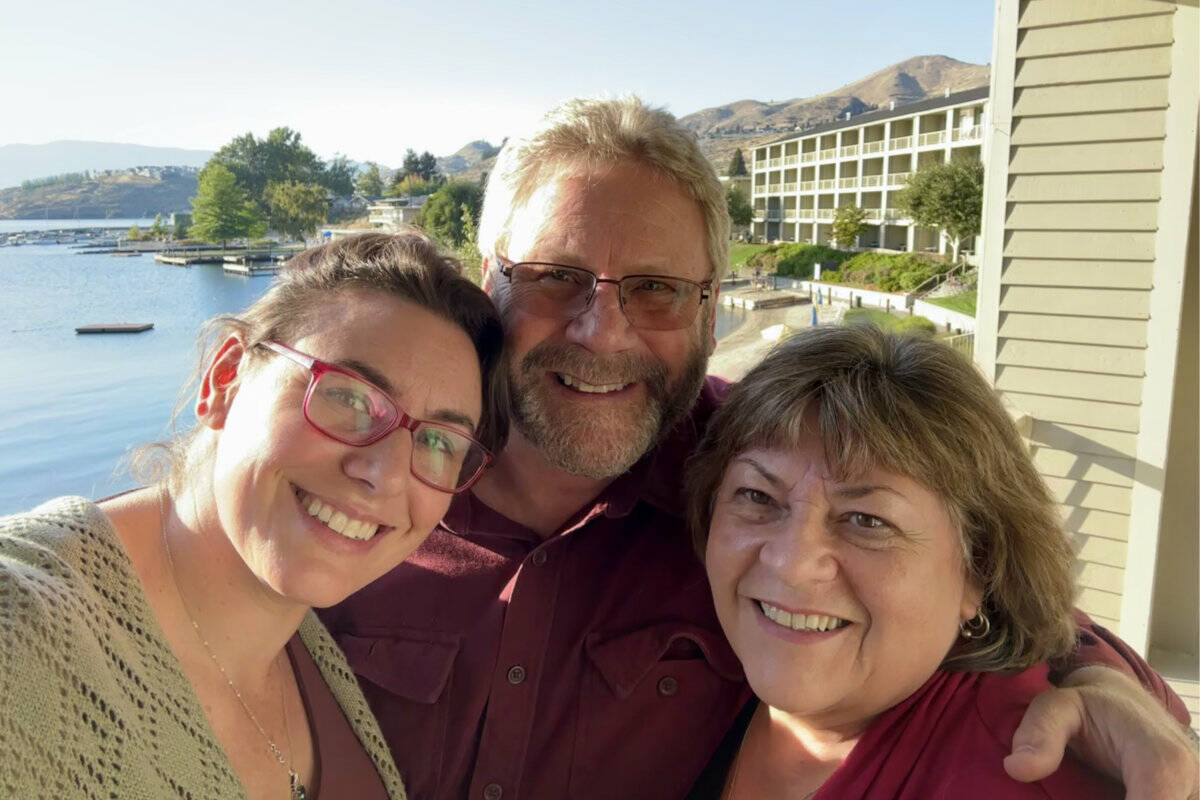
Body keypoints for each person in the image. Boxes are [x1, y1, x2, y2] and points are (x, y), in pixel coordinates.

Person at [321, 97, 1197, 800]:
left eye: (657, 290)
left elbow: (965, 572)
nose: (601, 332)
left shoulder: (751, 465)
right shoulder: (363, 467)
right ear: (490, 280)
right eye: (557, 278)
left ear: (710, 306)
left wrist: (1105, 684)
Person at [0, 232, 506, 799]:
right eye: (350, 397)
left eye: (439, 441)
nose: (384, 474)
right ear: (226, 379)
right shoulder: (23, 631)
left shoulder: (309, 652)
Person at [685, 325, 1141, 798]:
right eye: (757, 495)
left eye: (866, 519)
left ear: (978, 568)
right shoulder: (701, 668)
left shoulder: (1022, 769)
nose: (789, 562)